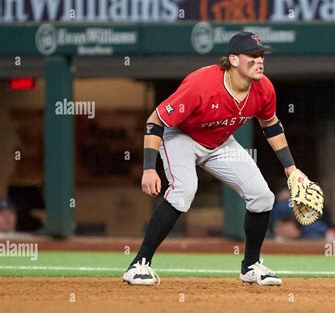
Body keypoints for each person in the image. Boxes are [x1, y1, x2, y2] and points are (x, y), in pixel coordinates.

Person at [123, 32, 306, 286]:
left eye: (261, 55)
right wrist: (149, 168)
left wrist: (291, 168)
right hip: (181, 137)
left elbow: (271, 126)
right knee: (184, 190)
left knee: (262, 196)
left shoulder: (264, 88)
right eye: (252, 56)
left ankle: (251, 266)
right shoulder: (201, 84)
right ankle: (138, 264)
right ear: (233, 59)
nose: (259, 61)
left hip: (220, 142)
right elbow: (155, 122)